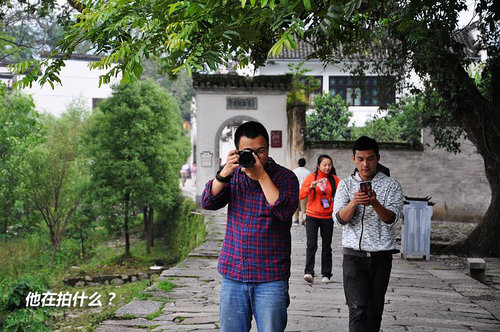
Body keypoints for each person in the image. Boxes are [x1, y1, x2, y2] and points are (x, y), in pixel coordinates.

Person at [201, 121, 299, 332]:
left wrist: (262, 177)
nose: (255, 157)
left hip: (270, 277)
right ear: (238, 151)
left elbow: (284, 212)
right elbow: (208, 201)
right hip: (233, 274)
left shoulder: (285, 177)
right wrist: (224, 172)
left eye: (261, 151)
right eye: (249, 151)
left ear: (268, 149)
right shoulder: (233, 175)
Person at [333, 136, 403, 332]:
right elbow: (339, 220)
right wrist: (354, 202)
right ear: (353, 159)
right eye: (361, 159)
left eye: (370, 158)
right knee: (358, 310)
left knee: (374, 313)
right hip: (353, 257)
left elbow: (392, 219)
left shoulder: (391, 185)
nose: (365, 164)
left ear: (378, 158)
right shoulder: (345, 185)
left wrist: (375, 203)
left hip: (382, 257)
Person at [300, 155, 340, 284]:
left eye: (329, 165)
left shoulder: (334, 179)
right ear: (318, 166)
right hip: (312, 216)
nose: (327, 167)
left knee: (327, 246)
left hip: (327, 217)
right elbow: (301, 195)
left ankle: (326, 274)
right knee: (311, 245)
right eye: (324, 165)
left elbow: (341, 196)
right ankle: (308, 272)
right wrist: (310, 187)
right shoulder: (311, 178)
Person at [292, 158, 311, 226]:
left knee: (296, 206)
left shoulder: (294, 171)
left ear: (298, 163)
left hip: (296, 191)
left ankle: (296, 220)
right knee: (304, 207)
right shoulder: (308, 172)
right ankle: (303, 220)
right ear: (305, 163)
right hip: (304, 191)